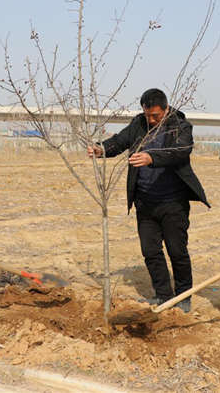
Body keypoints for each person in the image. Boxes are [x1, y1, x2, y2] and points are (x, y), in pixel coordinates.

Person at [87, 89, 209, 312]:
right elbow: (119, 141)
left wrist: (152, 157)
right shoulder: (138, 125)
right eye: (148, 115)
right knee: (150, 251)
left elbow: (180, 152)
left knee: (177, 250)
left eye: (156, 116)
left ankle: (184, 296)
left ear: (166, 109)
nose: (151, 120)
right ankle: (163, 295)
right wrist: (101, 148)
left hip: (173, 202)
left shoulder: (180, 127)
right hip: (145, 202)